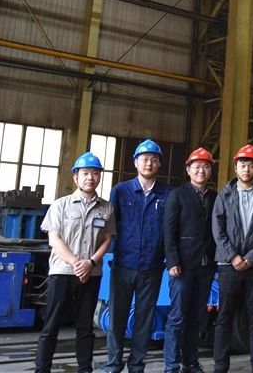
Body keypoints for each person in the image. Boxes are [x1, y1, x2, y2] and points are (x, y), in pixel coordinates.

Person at [35, 152, 115, 373]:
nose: (90, 177)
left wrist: (90, 262)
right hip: (62, 272)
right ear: (76, 177)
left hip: (92, 274)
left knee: (85, 326)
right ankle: (41, 369)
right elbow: (54, 238)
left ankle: (85, 369)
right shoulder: (60, 205)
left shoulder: (106, 208)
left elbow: (107, 239)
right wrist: (76, 262)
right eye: (85, 173)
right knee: (51, 325)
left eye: (95, 173)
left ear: (99, 177)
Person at [105, 138, 171, 373]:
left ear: (159, 164)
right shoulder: (120, 191)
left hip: (152, 267)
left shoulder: (167, 194)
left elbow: (170, 229)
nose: (149, 163)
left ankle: (136, 365)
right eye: (144, 159)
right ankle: (113, 364)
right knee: (117, 317)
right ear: (135, 162)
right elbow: (110, 228)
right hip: (123, 265)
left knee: (144, 319)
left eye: (154, 159)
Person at [212, 144, 253, 373]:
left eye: (251, 164)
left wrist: (252, 256)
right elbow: (218, 228)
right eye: (242, 164)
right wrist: (233, 256)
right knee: (225, 316)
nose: (246, 169)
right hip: (229, 265)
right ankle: (221, 366)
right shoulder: (224, 195)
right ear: (235, 167)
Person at [162, 147, 218, 373]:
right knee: (177, 317)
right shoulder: (177, 195)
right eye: (196, 167)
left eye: (206, 166)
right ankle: (171, 365)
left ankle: (191, 362)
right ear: (188, 170)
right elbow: (169, 231)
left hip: (205, 267)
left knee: (196, 317)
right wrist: (172, 261)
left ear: (210, 170)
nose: (201, 171)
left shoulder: (214, 197)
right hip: (182, 267)